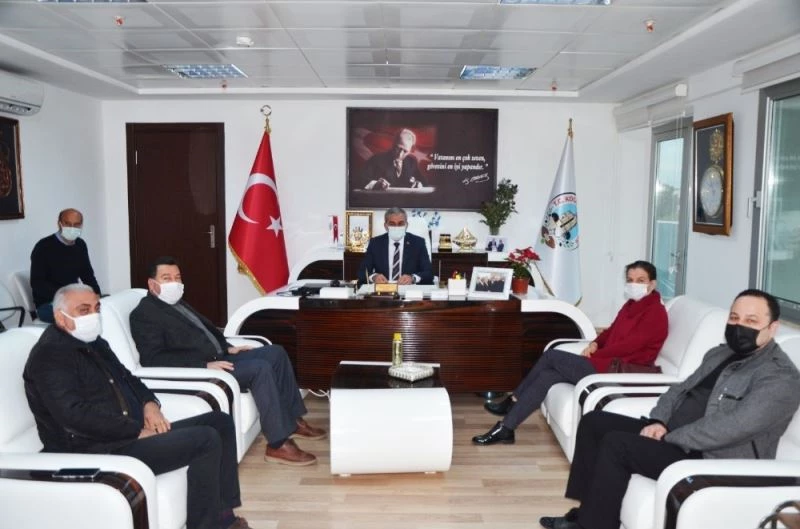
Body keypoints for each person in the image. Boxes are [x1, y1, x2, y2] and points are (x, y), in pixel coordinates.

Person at [540, 288, 800, 529]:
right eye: (734, 318)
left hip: (708, 455)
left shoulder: (779, 376)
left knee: (617, 444)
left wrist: (669, 436)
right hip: (672, 434)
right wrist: (659, 421)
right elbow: (680, 389)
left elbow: (733, 427)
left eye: (751, 321)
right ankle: (587, 513)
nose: (739, 326)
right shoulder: (721, 353)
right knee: (595, 422)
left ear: (772, 328)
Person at [23, 284, 250, 529]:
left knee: (219, 422)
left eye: (97, 308)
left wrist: (149, 405)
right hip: (99, 448)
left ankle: (223, 515)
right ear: (60, 317)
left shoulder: (93, 342)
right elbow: (74, 416)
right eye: (84, 310)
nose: (93, 316)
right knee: (205, 439)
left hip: (127, 435)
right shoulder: (50, 356)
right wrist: (134, 431)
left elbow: (128, 378)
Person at [130, 256, 326, 466]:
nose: (174, 283)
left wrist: (228, 347)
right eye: (166, 278)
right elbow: (153, 358)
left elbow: (204, 332)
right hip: (202, 369)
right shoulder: (144, 314)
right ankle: (277, 445)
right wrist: (204, 366)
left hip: (220, 357)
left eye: (177, 277)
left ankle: (292, 421)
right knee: (260, 368)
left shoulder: (175, 304)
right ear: (152, 284)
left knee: (275, 353)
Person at [473, 260, 668, 445]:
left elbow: (630, 346)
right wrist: (595, 344)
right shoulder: (630, 305)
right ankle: (506, 428)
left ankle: (513, 400)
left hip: (621, 372)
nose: (634, 285)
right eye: (630, 280)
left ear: (652, 284)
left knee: (552, 356)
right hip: (607, 363)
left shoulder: (656, 313)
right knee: (547, 376)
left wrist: (596, 355)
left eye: (640, 281)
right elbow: (610, 331)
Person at [30, 208, 101, 323]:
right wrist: (67, 298)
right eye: (68, 224)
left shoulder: (80, 245)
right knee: (82, 316)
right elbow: (37, 283)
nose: (72, 228)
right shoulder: (43, 247)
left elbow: (87, 275)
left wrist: (96, 295)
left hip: (75, 300)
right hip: (48, 304)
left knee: (103, 310)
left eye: (76, 224)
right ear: (60, 224)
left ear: (81, 225)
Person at [357, 207, 433, 285]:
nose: (396, 227)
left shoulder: (418, 243)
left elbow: (428, 273)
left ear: (406, 225)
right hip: (384, 289)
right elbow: (362, 272)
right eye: (392, 224)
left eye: (401, 223)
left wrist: (412, 278)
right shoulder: (375, 243)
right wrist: (374, 277)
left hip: (409, 289)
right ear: (385, 226)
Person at [360, 129, 425, 190]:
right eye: (398, 148)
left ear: (410, 150)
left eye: (405, 151)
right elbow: (361, 180)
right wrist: (375, 184)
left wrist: (418, 183)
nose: (400, 154)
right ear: (393, 144)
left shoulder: (411, 162)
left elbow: (424, 181)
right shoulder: (376, 160)